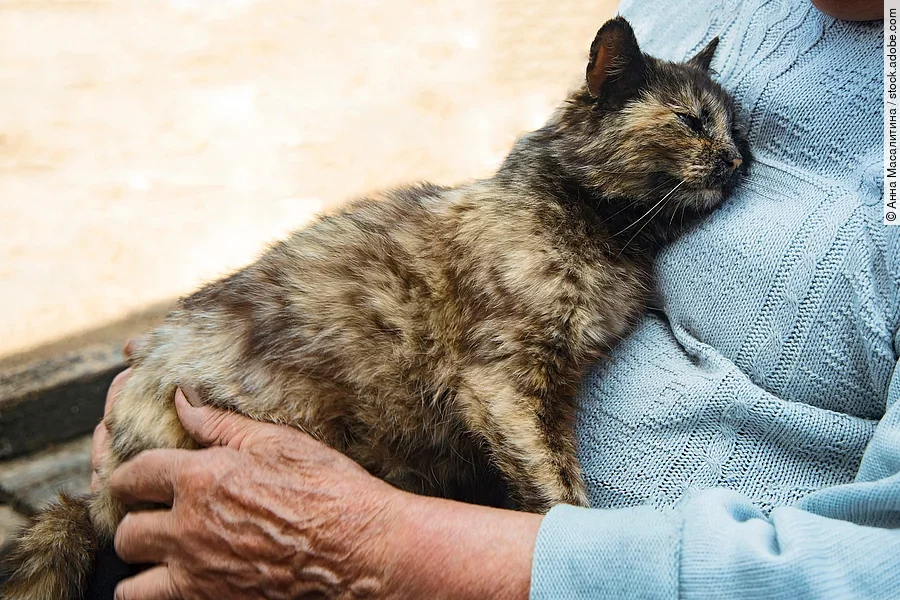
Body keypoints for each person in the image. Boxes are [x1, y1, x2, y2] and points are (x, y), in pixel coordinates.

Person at [92, 0, 894, 598]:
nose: (729, 158)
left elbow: (874, 567)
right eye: (695, 131)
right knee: (104, 533)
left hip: (421, 556)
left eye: (731, 142)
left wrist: (379, 546)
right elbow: (536, 189)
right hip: (349, 480)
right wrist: (210, 356)